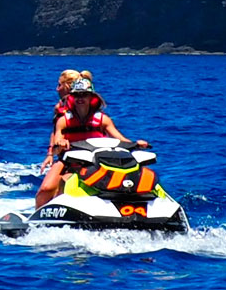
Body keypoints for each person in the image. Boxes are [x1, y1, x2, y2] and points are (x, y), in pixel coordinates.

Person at [34, 79, 148, 207]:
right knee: (46, 189)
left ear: (91, 97)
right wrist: (60, 143)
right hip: (69, 162)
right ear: (71, 98)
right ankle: (38, 219)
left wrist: (136, 144)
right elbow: (55, 147)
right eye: (76, 95)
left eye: (84, 94)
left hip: (96, 163)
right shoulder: (63, 120)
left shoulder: (103, 120)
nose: (80, 98)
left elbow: (120, 139)